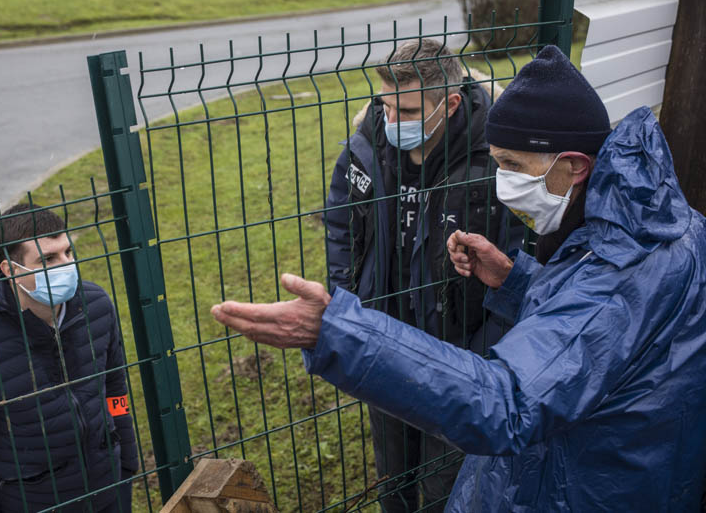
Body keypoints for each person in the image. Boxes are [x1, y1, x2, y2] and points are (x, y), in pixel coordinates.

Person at [212, 46, 706, 511]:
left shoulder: (619, 272)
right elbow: (595, 337)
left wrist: (337, 332)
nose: (504, 182)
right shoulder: (654, 227)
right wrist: (517, 281)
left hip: (587, 488)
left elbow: (508, 404)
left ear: (573, 167)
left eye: (513, 165)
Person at [324, 38, 519, 512]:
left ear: (449, 104)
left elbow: (516, 256)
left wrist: (485, 346)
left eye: (408, 111)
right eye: (386, 107)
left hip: (455, 355)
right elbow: (340, 227)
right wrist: (350, 305)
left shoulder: (493, 162)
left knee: (443, 488)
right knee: (393, 478)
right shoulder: (365, 150)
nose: (393, 122)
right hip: (382, 339)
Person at [0, 203, 137, 513]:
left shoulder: (96, 306)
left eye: (68, 252)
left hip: (108, 491)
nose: (67, 265)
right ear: (11, 271)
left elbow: (115, 390)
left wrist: (126, 466)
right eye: (48, 259)